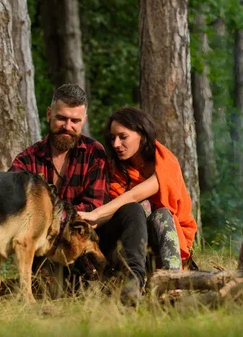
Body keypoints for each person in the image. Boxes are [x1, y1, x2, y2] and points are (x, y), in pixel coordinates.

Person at [10, 84, 148, 305]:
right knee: (52, 287)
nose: (67, 126)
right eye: (61, 118)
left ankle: (132, 285)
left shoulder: (95, 153)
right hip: (44, 252)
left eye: (75, 121)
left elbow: (91, 211)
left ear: (83, 120)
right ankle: (71, 286)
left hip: (87, 245)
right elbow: (14, 213)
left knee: (132, 209)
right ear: (48, 114)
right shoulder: (27, 160)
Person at [78, 106, 198, 271]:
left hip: (171, 235)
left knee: (157, 211)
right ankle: (134, 277)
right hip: (131, 240)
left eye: (123, 137)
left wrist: (96, 213)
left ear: (141, 134)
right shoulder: (116, 169)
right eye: (112, 138)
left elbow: (134, 196)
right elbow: (116, 211)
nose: (116, 144)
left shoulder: (164, 160)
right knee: (136, 210)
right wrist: (86, 223)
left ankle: (174, 280)